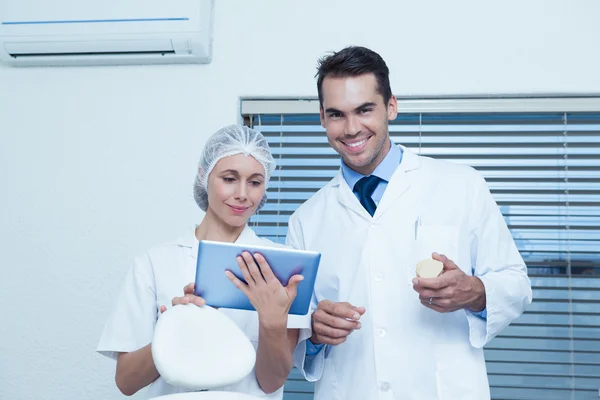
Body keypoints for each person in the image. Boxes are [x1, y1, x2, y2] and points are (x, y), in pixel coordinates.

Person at [289, 46, 533, 399]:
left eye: (364, 110)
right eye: (337, 114)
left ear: (391, 107)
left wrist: (476, 292)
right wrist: (313, 332)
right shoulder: (306, 219)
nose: (352, 127)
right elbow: (296, 333)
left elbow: (516, 283)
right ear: (323, 119)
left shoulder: (461, 185)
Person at [97, 125, 303, 399]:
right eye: (229, 178)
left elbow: (271, 382)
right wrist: (173, 328)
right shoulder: (154, 264)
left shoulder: (280, 269)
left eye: (254, 182)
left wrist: (272, 322)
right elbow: (126, 382)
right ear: (203, 175)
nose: (243, 194)